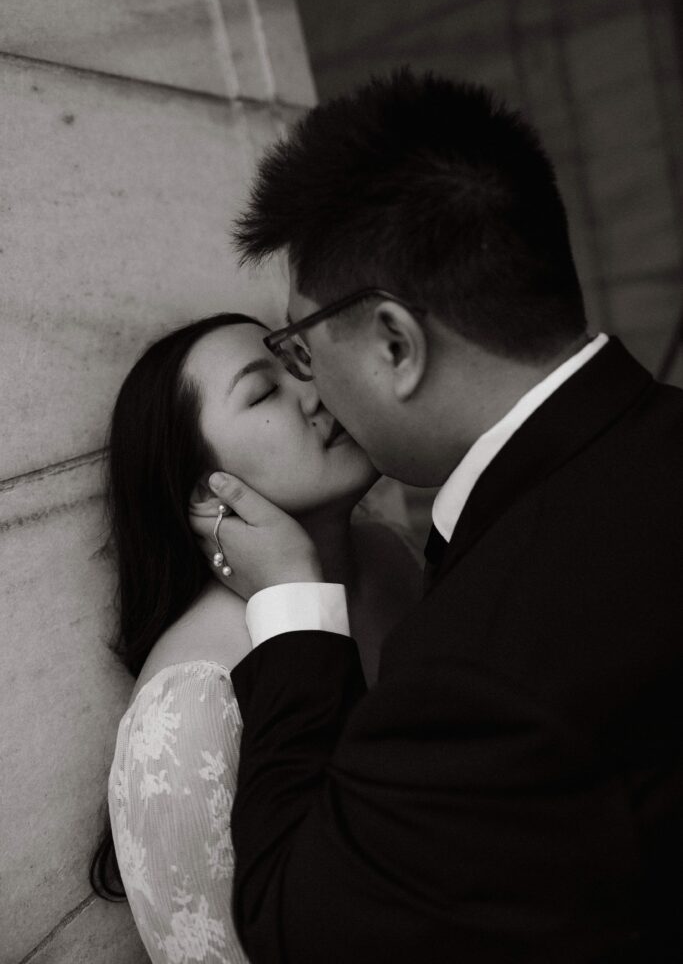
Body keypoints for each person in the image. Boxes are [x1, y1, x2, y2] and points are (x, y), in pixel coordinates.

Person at [192, 70, 683, 963]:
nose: (310, 388)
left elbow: (301, 928)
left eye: (299, 347)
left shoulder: (482, 669)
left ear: (394, 343)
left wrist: (296, 610)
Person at [89, 312, 421, 963]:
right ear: (205, 494)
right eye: (263, 391)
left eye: (303, 364)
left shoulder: (388, 555)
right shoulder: (191, 702)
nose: (317, 390)